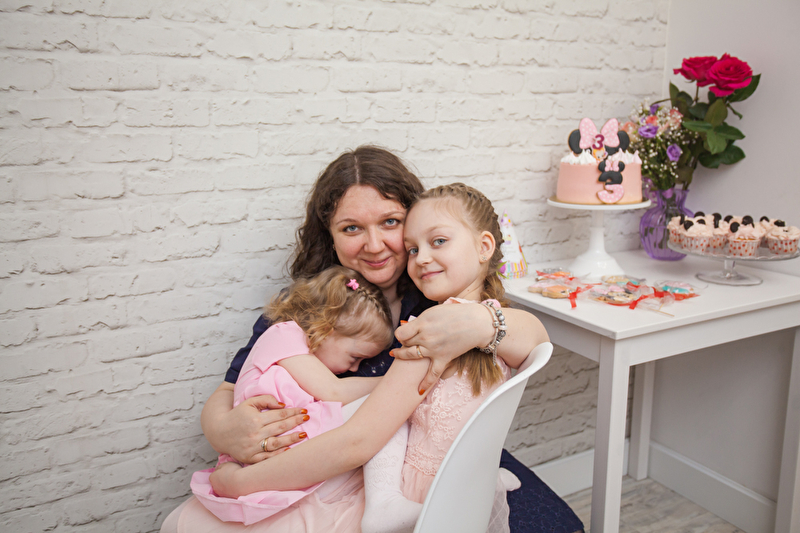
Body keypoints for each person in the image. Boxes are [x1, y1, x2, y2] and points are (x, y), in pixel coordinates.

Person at [161, 146, 554, 532]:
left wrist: (480, 322)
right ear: (329, 237)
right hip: (317, 462)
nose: (374, 244)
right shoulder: (312, 302)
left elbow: (535, 341)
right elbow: (232, 386)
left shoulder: (433, 297)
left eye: (390, 222)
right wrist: (221, 430)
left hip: (382, 468)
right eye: (351, 228)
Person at [361, 183, 540, 533]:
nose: (421, 258)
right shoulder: (497, 320)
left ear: (483, 246)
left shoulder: (438, 327)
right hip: (471, 489)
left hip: (422, 493)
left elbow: (365, 433)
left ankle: (382, 502)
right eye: (412, 249)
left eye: (438, 241)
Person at [191, 266, 394, 525]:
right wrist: (395, 380)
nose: (354, 368)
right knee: (382, 411)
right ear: (326, 329)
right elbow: (335, 391)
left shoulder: (304, 353)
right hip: (267, 443)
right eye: (355, 358)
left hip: (283, 444)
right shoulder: (284, 334)